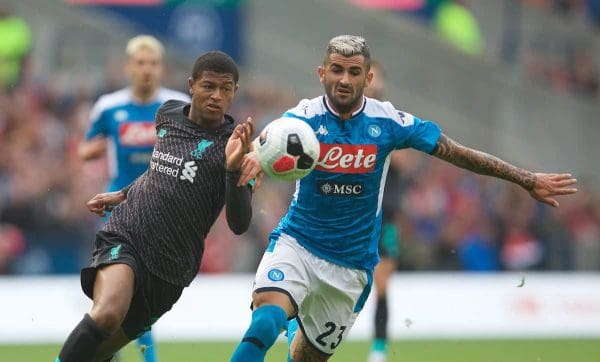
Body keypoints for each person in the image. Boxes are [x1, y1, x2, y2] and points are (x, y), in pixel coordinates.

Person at [230, 34, 578, 362]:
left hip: (351, 268)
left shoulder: (389, 122)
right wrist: (255, 163)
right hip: (298, 245)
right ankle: (289, 308)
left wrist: (526, 179)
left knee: (303, 357)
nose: (344, 80)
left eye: (354, 72)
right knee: (264, 321)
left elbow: (457, 153)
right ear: (322, 73)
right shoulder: (301, 120)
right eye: (336, 69)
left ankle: (297, 319)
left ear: (368, 78)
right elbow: (266, 149)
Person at [56, 50, 257, 362]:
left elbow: (239, 223)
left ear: (235, 92)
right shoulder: (168, 114)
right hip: (128, 234)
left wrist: (233, 169)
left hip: (172, 269)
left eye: (225, 88)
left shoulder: (238, 145)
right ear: (191, 85)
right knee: (107, 314)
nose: (217, 96)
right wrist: (122, 195)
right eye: (208, 87)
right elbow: (158, 172)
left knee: (95, 355)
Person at [77, 35, 190, 362]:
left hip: (161, 207)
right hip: (119, 207)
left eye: (152, 63)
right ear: (129, 67)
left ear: (161, 68)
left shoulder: (177, 105)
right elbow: (85, 148)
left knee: (147, 289)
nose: (146, 70)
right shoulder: (109, 107)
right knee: (118, 282)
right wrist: (104, 144)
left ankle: (110, 348)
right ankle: (126, 351)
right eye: (140, 63)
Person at [363, 60, 402, 362]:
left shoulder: (391, 121)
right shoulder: (342, 119)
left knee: (382, 284)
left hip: (384, 219)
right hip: (351, 216)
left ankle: (379, 349)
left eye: (377, 78)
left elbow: (403, 164)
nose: (372, 84)